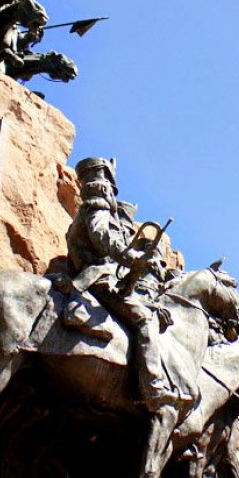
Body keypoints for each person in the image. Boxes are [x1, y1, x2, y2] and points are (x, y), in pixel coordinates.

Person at [63, 157, 179, 407]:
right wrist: (131, 256)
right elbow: (102, 236)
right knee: (145, 320)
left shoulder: (89, 208)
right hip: (99, 278)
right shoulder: (98, 206)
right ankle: (153, 389)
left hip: (99, 275)